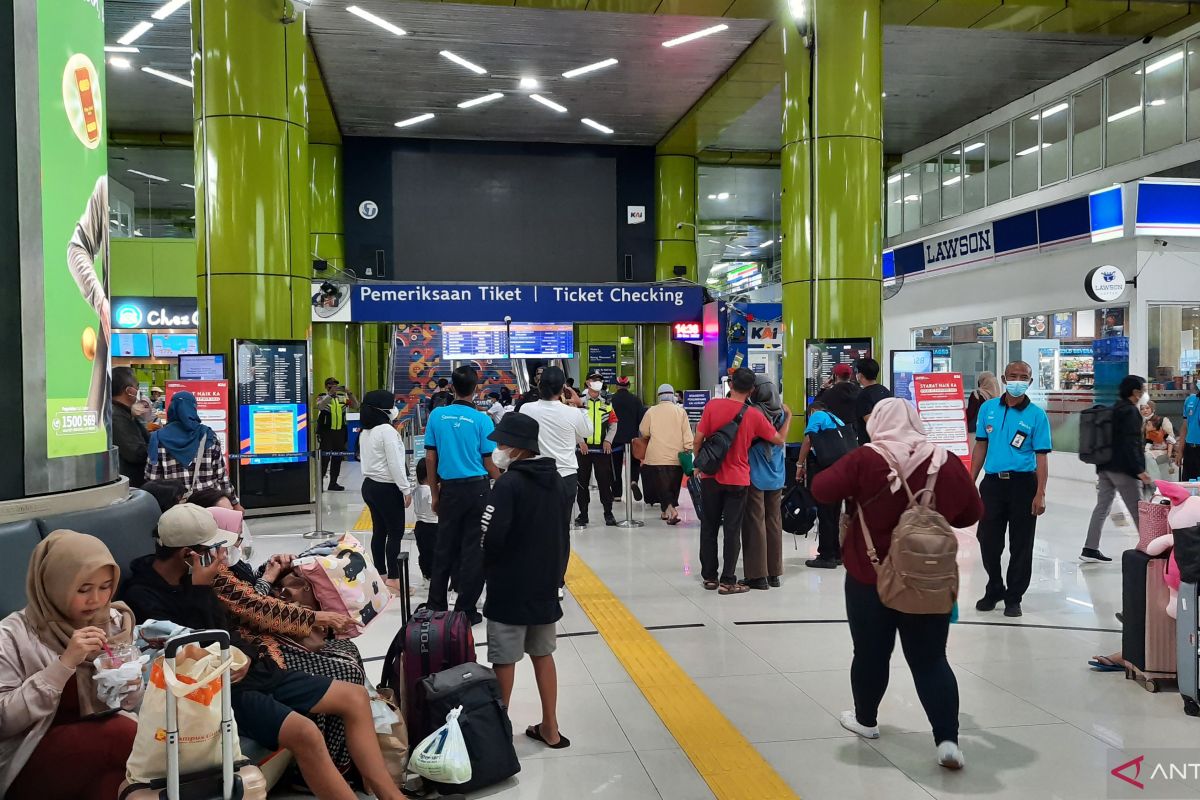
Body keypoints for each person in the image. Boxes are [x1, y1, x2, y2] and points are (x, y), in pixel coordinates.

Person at [120, 505, 402, 800]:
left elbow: (235, 626)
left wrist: (248, 655)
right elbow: (195, 650)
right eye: (215, 549)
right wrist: (201, 590)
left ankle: (391, 796)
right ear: (189, 555)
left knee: (354, 696)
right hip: (217, 691)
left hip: (252, 668)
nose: (222, 556)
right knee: (305, 732)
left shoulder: (209, 575)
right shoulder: (145, 595)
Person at [811, 399, 982, 772]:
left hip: (868, 575)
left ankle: (866, 720)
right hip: (927, 579)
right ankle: (947, 741)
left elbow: (821, 489)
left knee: (871, 653)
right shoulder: (945, 460)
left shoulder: (866, 458)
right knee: (931, 659)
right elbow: (971, 513)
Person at [0, 530, 141, 800]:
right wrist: (64, 664)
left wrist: (130, 682)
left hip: (100, 753)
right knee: (125, 735)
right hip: (29, 757)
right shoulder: (11, 635)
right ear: (54, 585)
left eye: (105, 586)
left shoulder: (113, 621)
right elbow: (4, 721)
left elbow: (128, 704)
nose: (97, 600)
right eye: (83, 589)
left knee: (115, 785)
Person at [480, 413, 570, 749]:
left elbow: (491, 537)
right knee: (543, 654)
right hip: (546, 584)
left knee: (504, 659)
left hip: (509, 587)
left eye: (502, 443)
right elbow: (564, 535)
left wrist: (487, 569)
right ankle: (551, 727)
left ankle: (499, 733)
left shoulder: (508, 484)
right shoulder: (558, 481)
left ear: (518, 448)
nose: (498, 449)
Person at [694, 367, 792, 594]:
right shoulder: (753, 414)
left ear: (730, 384)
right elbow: (778, 440)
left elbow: (697, 439)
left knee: (708, 526)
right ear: (751, 391)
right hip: (738, 479)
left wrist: (699, 463)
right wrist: (787, 417)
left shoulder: (712, 406)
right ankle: (728, 580)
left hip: (711, 476)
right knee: (732, 529)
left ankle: (710, 577)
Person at [971, 360, 1051, 617]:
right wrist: (969, 482)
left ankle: (1014, 596)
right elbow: (980, 446)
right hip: (993, 484)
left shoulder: (1037, 415)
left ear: (1030, 381)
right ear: (1004, 379)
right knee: (987, 539)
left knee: (1021, 543)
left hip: (1023, 485)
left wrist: (1040, 492)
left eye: (1023, 377)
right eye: (1013, 376)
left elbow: (1041, 457)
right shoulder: (987, 409)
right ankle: (994, 585)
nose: (1018, 380)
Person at [425, 365, 499, 624]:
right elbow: (489, 463)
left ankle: (436, 605)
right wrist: (504, 483)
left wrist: (435, 493)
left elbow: (430, 457)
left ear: (452, 387)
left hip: (450, 490)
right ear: (476, 388)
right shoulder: (482, 419)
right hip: (478, 490)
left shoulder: (437, 416)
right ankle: (466, 609)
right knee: (474, 550)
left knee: (444, 547)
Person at [519, 366, 592, 587]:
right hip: (565, 476)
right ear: (563, 388)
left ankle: (535, 573)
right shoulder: (572, 412)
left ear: (539, 386)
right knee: (561, 530)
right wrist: (581, 405)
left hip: (535, 475)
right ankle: (557, 579)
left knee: (534, 526)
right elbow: (587, 432)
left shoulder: (527, 409)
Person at [1082, 376, 1153, 563]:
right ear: (1135, 392)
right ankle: (1150, 548)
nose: (1144, 393)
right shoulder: (1130, 412)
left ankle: (1089, 548)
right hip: (1123, 470)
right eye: (1142, 389)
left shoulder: (1114, 409)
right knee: (1138, 509)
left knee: (1102, 507)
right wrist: (1139, 470)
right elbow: (1130, 444)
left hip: (1105, 467)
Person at [145, 390, 242, 509]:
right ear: (193, 409)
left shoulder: (157, 438)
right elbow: (221, 476)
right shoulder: (208, 435)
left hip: (176, 508)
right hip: (210, 504)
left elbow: (152, 479)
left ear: (171, 409)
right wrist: (234, 502)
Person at [358, 390, 412, 595]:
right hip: (387, 488)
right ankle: (394, 579)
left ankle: (380, 575)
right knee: (395, 533)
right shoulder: (387, 431)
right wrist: (405, 489)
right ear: (383, 409)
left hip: (370, 486)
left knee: (379, 532)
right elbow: (396, 464)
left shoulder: (366, 431)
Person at [796, 401, 853, 569]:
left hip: (826, 470)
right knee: (834, 513)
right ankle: (836, 553)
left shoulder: (817, 415)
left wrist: (799, 465)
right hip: (842, 471)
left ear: (812, 411)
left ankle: (827, 556)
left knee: (825, 512)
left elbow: (808, 440)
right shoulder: (837, 420)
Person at [743, 375, 787, 589]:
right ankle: (775, 573)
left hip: (756, 472)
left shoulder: (754, 412)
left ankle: (757, 575)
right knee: (773, 521)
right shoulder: (782, 412)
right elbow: (780, 440)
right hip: (777, 472)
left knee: (755, 522)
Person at [639, 384, 693, 525]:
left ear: (659, 396)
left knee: (661, 486)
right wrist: (688, 448)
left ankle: (670, 510)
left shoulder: (651, 411)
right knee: (673, 486)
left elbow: (644, 431)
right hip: (676, 456)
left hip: (656, 456)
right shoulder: (680, 412)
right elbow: (687, 433)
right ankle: (667, 511)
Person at [576, 371, 620, 527]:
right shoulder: (579, 401)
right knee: (582, 483)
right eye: (594, 380)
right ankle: (583, 514)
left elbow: (613, 423)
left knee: (604, 482)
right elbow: (573, 423)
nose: (598, 382)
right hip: (583, 450)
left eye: (600, 380)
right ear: (588, 382)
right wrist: (580, 441)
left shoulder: (607, 402)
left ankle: (608, 513)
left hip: (602, 450)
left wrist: (608, 440)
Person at [317, 377, 358, 492]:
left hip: (340, 432)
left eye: (336, 385)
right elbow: (320, 406)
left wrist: (349, 393)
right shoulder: (321, 397)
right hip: (326, 432)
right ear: (326, 387)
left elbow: (355, 406)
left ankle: (333, 483)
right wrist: (329, 395)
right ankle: (319, 484)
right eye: (331, 385)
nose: (334, 387)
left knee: (338, 457)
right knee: (324, 458)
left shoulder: (342, 398)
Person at [111, 366, 150, 487]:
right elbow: (135, 453)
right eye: (136, 386)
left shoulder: (123, 413)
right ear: (129, 391)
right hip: (130, 484)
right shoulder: (116, 417)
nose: (138, 390)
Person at [610, 376, 646, 502]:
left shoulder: (611, 400)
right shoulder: (636, 400)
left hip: (615, 439)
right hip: (632, 439)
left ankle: (617, 494)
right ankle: (634, 481)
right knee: (635, 463)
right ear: (629, 386)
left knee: (615, 466)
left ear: (616, 386)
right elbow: (642, 420)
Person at [854, 358, 893, 445]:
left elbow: (872, 424)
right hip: (888, 443)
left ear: (860, 375)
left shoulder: (863, 396)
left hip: (871, 445)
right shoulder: (885, 390)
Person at [815, 364, 860, 437]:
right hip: (854, 435)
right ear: (850, 376)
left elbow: (815, 407)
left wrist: (823, 388)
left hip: (834, 435)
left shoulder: (828, 393)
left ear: (835, 376)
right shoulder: (859, 392)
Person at [413, 459, 438, 584]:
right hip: (432, 526)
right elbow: (434, 509)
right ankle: (433, 577)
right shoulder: (429, 491)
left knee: (423, 552)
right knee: (433, 553)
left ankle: (426, 575)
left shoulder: (417, 490)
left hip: (419, 526)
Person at [1143, 399, 1177, 482]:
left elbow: (1170, 440)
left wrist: (1169, 455)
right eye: (1142, 408)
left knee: (1147, 455)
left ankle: (1156, 482)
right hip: (1151, 451)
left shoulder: (1163, 420)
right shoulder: (1142, 422)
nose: (1145, 410)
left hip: (1163, 451)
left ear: (1153, 409)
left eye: (1147, 408)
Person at [1178, 386, 1200, 481]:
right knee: (1188, 484)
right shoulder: (1190, 400)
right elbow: (1184, 427)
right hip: (1189, 449)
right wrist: (1180, 451)